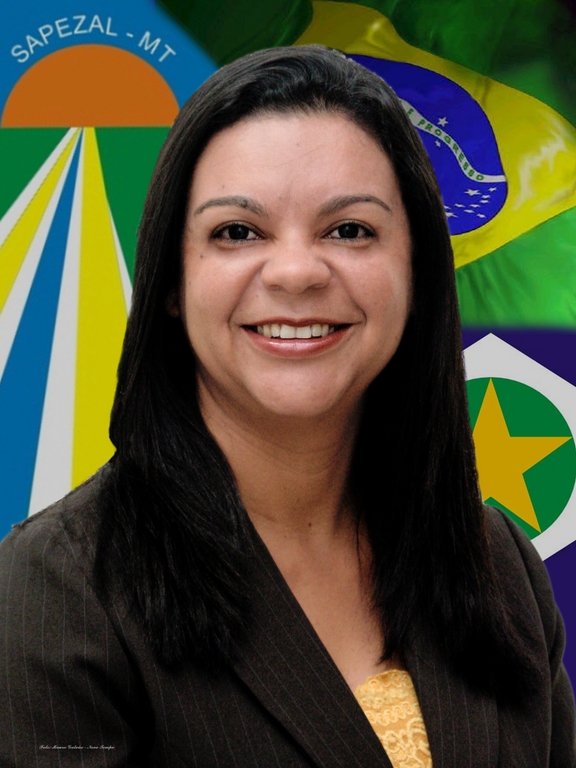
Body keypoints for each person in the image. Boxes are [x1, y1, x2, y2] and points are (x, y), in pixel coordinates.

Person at [0, 45, 574, 768]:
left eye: (350, 230)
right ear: (171, 282)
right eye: (237, 232)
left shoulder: (501, 563)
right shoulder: (57, 592)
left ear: (418, 273)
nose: (297, 272)